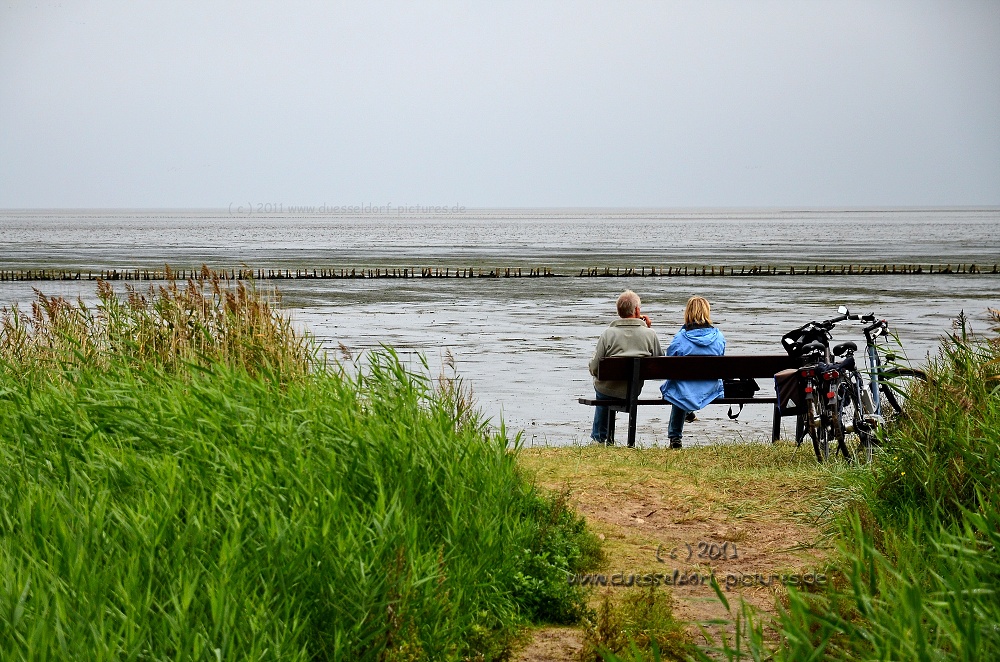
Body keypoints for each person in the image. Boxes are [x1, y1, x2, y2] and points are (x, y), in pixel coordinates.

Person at [589, 290, 662, 444]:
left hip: (607, 391)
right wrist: (647, 329)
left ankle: (600, 437)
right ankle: (610, 439)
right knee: (607, 387)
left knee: (601, 387)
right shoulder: (650, 334)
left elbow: (595, 367)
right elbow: (660, 364)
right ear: (636, 310)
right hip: (632, 391)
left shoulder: (608, 334)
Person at [660, 296, 725, 449]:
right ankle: (688, 412)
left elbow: (669, 361)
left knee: (680, 388)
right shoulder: (719, 337)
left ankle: (675, 437)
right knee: (682, 386)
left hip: (685, 388)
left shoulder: (681, 338)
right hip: (710, 387)